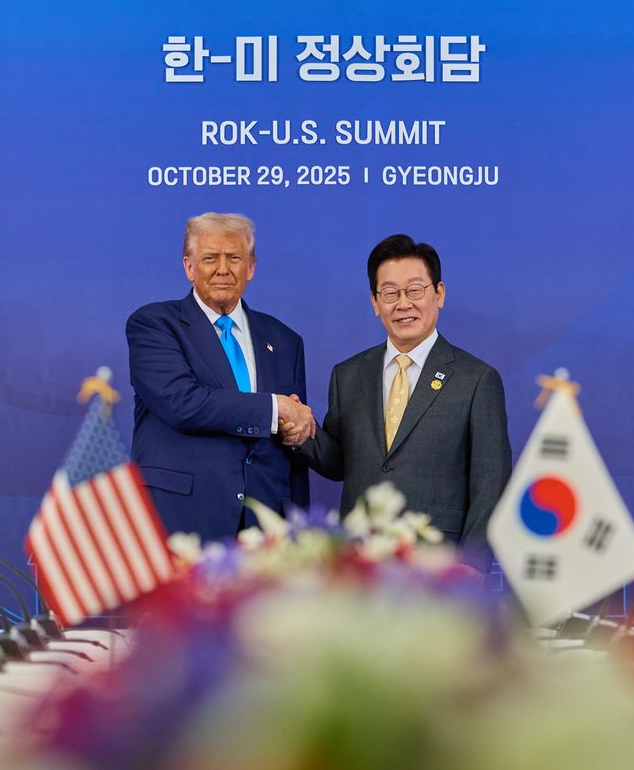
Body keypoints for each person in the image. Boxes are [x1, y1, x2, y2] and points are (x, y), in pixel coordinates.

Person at [285, 234, 511, 558]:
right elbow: (340, 462)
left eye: (415, 290)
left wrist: (471, 567)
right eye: (390, 293)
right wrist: (302, 432)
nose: (403, 304)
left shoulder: (476, 379)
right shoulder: (348, 375)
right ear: (375, 303)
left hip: (437, 563)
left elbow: (491, 484)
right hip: (360, 560)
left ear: (439, 293)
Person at [126, 213, 314, 542]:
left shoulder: (285, 340)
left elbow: (292, 442)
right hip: (181, 521)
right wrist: (276, 409)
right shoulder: (154, 324)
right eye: (210, 258)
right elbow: (182, 403)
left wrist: (299, 526)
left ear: (251, 267)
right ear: (188, 266)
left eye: (235, 257)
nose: (223, 269)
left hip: (268, 531)